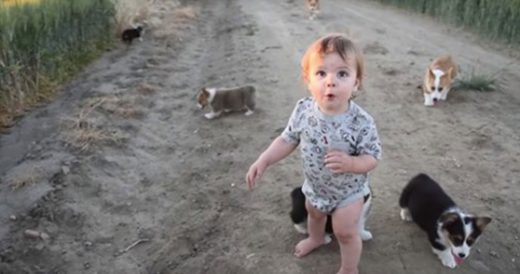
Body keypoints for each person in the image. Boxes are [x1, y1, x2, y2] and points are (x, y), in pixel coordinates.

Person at [245, 33, 382, 274]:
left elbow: (372, 157)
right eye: (321, 73)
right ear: (307, 79)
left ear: (356, 82)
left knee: (345, 232)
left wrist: (352, 163)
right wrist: (264, 159)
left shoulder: (362, 122)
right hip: (316, 185)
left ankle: (350, 268)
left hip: (348, 192)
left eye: (342, 73)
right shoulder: (303, 110)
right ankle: (316, 238)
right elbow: (288, 139)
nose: (331, 81)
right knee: (314, 214)